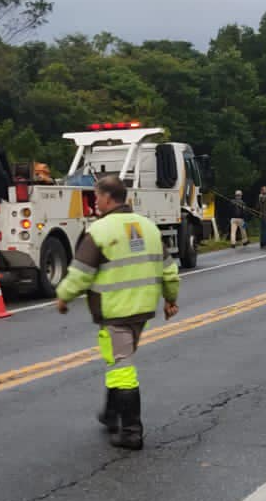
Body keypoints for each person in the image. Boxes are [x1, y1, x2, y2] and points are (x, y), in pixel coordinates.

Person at [55, 176, 180, 450]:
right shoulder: (149, 228)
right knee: (117, 361)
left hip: (116, 312)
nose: (95, 202)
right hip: (142, 310)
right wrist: (170, 300)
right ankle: (111, 415)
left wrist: (63, 297)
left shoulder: (99, 231)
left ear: (109, 198)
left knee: (122, 368)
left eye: (97, 197)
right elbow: (169, 270)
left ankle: (132, 432)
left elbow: (80, 274)